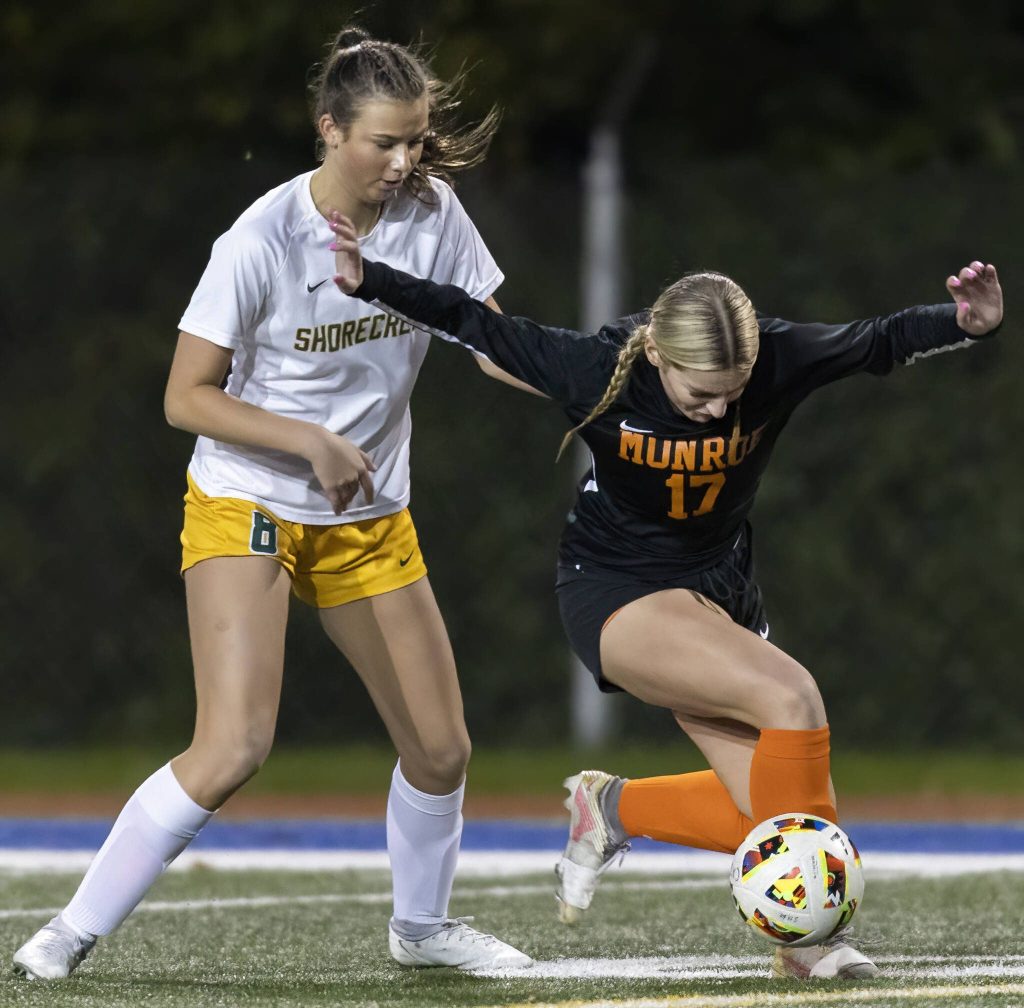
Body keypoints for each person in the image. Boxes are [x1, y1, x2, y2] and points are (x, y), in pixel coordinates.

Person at [327, 214, 1003, 980]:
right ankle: (806, 948)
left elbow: (876, 340)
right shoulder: (594, 368)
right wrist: (368, 278)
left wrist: (964, 323)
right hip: (618, 587)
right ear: (655, 351)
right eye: (701, 394)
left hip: (721, 588)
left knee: (788, 818)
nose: (718, 410)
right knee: (794, 700)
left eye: (733, 394)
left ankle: (613, 810)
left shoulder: (776, 358)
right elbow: (463, 318)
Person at [12, 27, 536, 981]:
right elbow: (186, 397)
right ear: (329, 129)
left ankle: (420, 933)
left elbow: (494, 344)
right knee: (235, 744)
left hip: (369, 517)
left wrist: (596, 380)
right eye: (384, 141)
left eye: (416, 141)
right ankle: (67, 934)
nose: (405, 162)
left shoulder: (433, 213)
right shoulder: (260, 238)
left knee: (442, 749)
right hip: (248, 500)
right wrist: (308, 439)